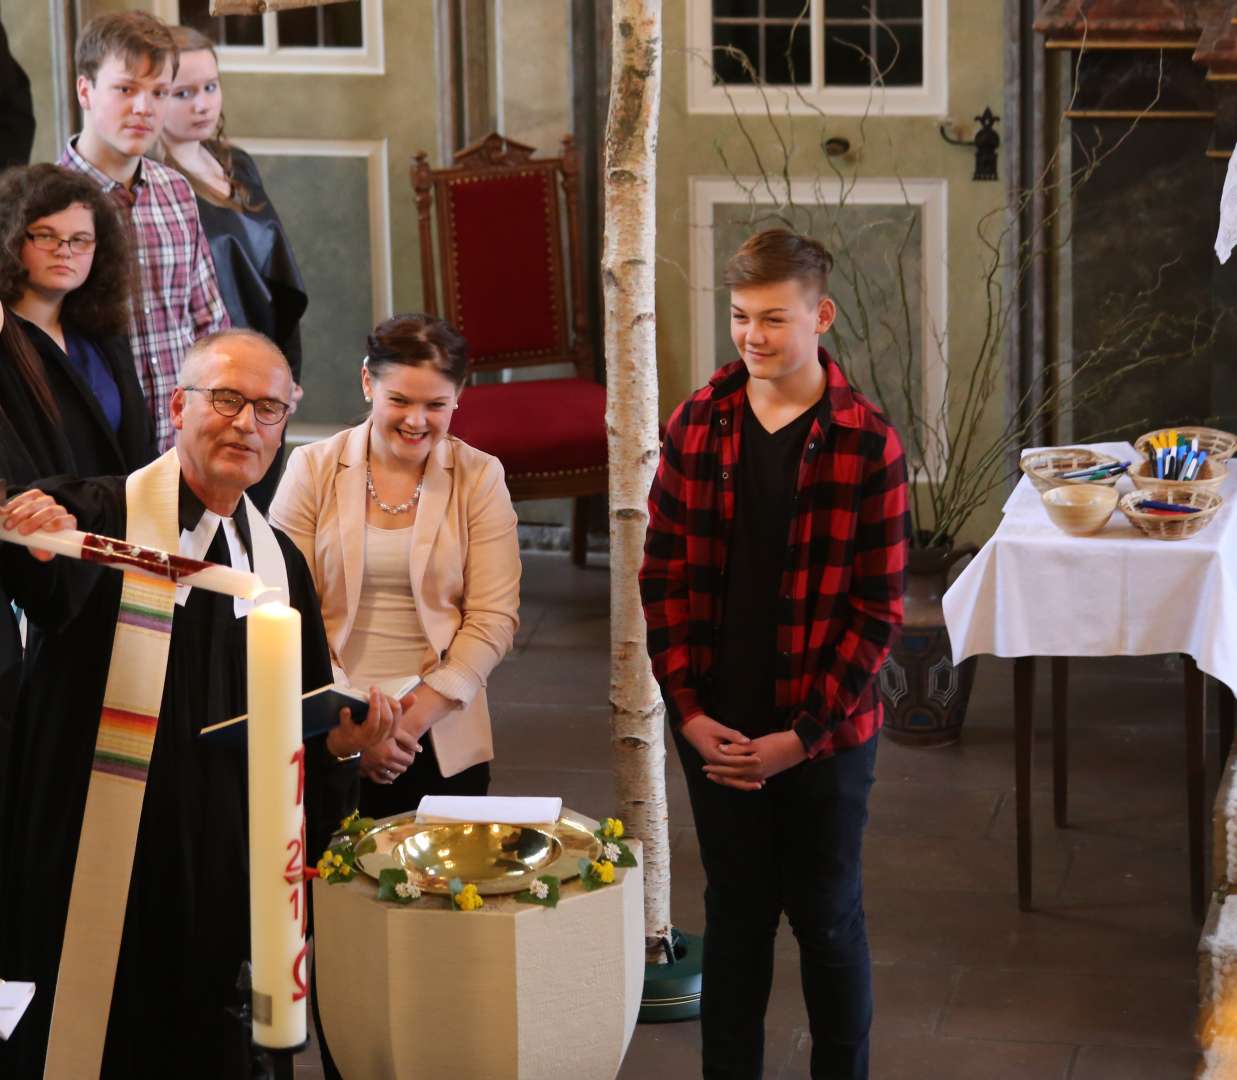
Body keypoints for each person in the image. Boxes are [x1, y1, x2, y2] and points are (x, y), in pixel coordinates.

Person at [0, 329, 400, 1077]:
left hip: (227, 874)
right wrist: (33, 536)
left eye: (269, 410)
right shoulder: (97, 518)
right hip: (105, 863)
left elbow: (306, 723)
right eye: (226, 399)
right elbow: (46, 587)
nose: (246, 424)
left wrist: (346, 744)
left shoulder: (278, 564)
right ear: (178, 406)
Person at [639, 229, 910, 1080]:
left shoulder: (868, 442)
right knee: (737, 918)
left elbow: (877, 612)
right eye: (739, 317)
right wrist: (687, 711)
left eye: (774, 319)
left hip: (824, 733)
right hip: (717, 722)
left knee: (828, 920)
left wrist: (804, 735)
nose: (754, 336)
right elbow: (663, 577)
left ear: (819, 316)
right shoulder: (695, 424)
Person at [270, 313, 520, 820]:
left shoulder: (480, 476)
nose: (416, 421)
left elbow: (494, 620)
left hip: (438, 726)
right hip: (329, 722)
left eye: (436, 405)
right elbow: (284, 605)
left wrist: (404, 725)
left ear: (459, 396)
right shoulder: (312, 468)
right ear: (368, 381)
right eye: (400, 400)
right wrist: (357, 728)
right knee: (327, 891)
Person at [59, 10, 229, 455]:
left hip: (183, 441)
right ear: (85, 90)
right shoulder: (48, 203)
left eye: (158, 92)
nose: (143, 108)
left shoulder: (175, 191)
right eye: (126, 89)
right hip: (97, 444)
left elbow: (208, 321)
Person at [161, 24, 308, 511]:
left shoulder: (236, 164)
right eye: (184, 93)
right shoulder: (160, 187)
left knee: (259, 501)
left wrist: (284, 373)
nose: (203, 104)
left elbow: (279, 276)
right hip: (213, 375)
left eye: (210, 87)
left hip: (266, 349)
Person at [0, 163, 156, 476]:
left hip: (113, 519)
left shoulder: (104, 336)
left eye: (80, 239)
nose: (65, 251)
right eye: (46, 236)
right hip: (35, 520)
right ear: (12, 238)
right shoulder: (4, 336)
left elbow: (138, 449)